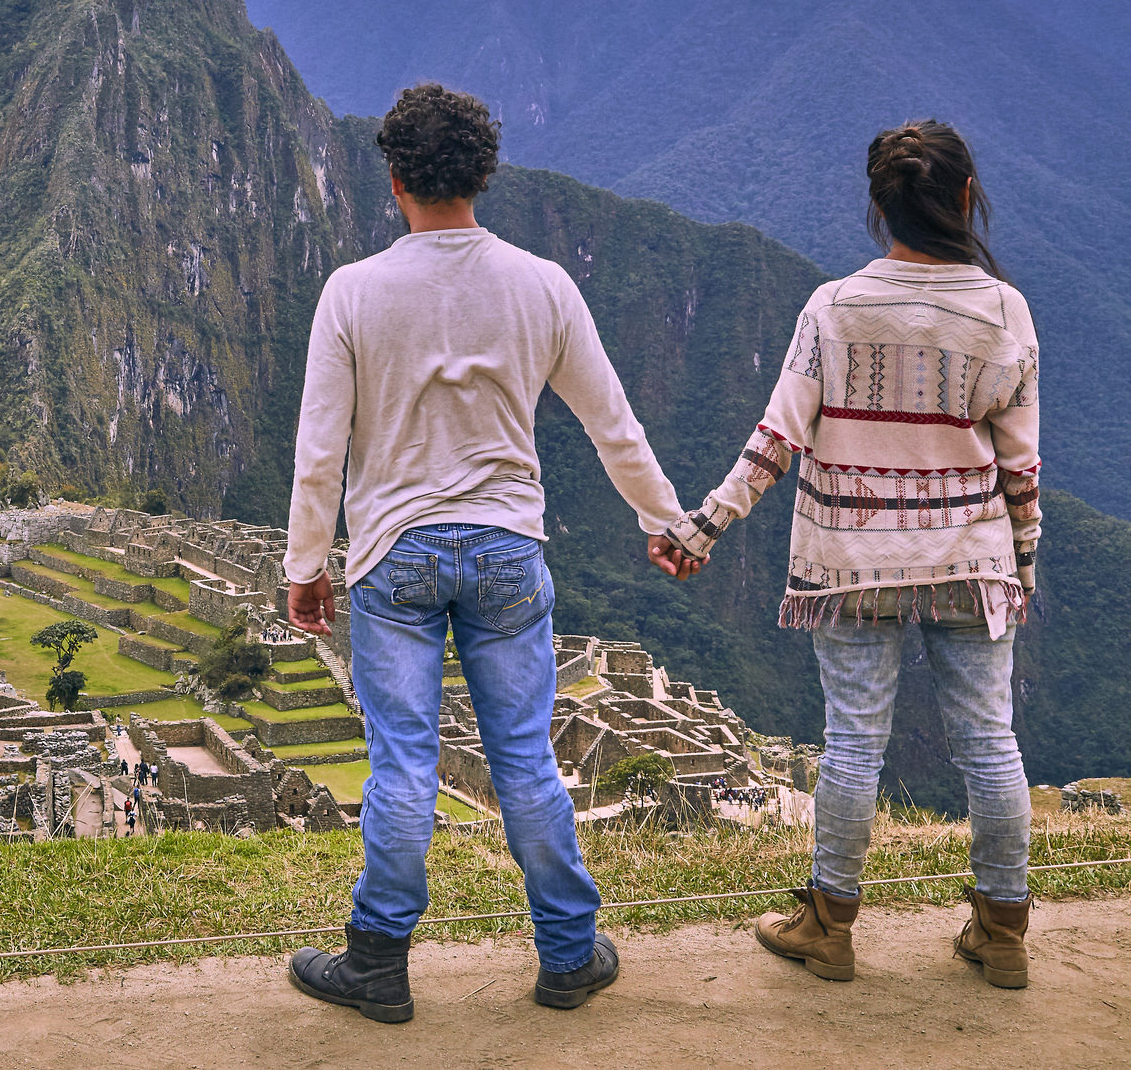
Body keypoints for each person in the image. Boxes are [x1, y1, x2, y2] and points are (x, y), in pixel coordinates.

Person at [284, 84, 691, 1023]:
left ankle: (379, 962)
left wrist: (307, 565)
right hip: (508, 548)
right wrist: (664, 521)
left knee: (402, 765)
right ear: (484, 174)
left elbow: (320, 449)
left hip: (393, 555)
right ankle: (567, 952)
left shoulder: (352, 292)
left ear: (394, 181)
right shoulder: (542, 283)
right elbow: (611, 425)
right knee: (524, 760)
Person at [663, 120, 1040, 990]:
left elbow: (775, 439)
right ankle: (1003, 928)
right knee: (990, 741)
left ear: (879, 208)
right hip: (968, 557)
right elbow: (1020, 468)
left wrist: (702, 529)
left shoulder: (832, 308)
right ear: (963, 199)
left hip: (850, 558)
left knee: (852, 743)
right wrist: (1022, 567)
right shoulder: (1004, 309)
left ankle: (829, 924)